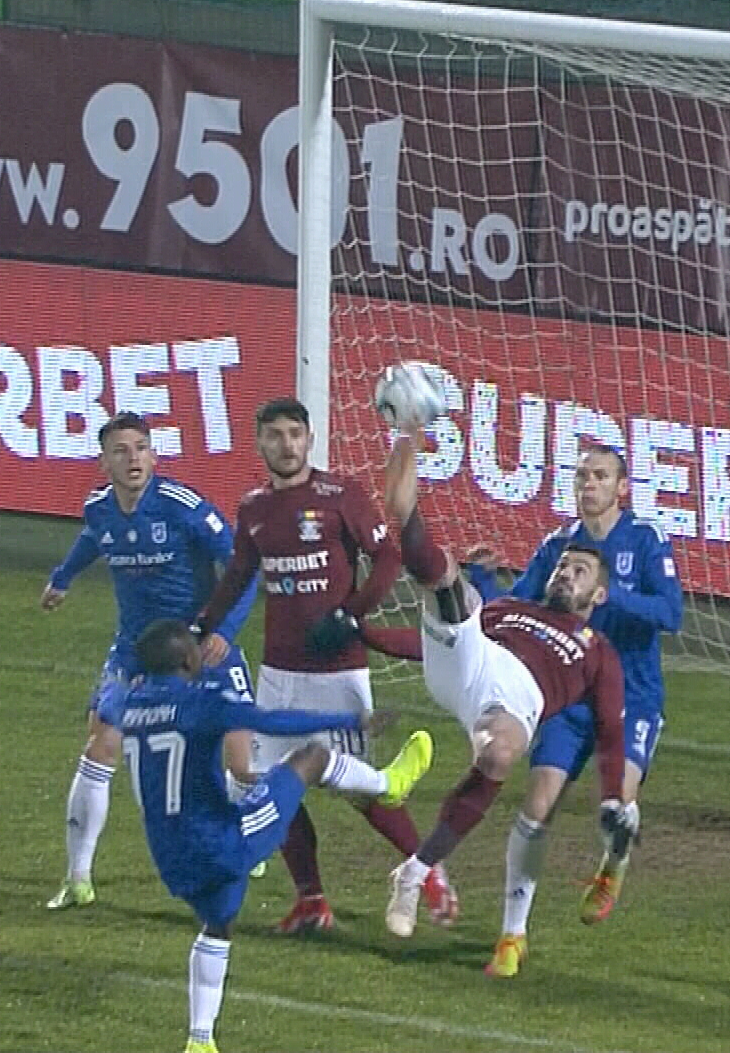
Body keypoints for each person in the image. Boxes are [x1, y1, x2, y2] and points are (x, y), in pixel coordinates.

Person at [99, 618, 434, 1053]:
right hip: (222, 840)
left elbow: (109, 704)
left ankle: (200, 1041)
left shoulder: (129, 703)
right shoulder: (199, 701)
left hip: (170, 854)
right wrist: (351, 719)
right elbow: (269, 719)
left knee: (218, 924)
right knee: (310, 758)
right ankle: (389, 785)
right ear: (187, 659)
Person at [196, 398, 457, 934]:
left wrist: (350, 614)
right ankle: (311, 898)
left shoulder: (342, 496)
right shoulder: (253, 509)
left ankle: (429, 872)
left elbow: (387, 558)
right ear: (260, 443)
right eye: (275, 435)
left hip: (338, 668)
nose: (287, 444)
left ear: (309, 438)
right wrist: (206, 628)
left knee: (360, 792)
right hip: (279, 673)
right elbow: (239, 575)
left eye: (295, 433)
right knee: (269, 785)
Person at [377, 422, 631, 944]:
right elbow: (434, 642)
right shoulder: (512, 608)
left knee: (499, 756)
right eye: (564, 566)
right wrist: (362, 636)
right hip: (472, 659)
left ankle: (415, 872)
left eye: (580, 572)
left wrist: (612, 798)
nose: (565, 574)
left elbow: (608, 730)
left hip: (512, 701)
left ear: (598, 597)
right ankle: (405, 463)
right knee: (445, 577)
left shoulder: (597, 651)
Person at [462, 443, 682, 977]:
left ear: (621, 487)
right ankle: (512, 935)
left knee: (619, 799)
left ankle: (613, 865)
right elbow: (523, 605)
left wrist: (612, 598)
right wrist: (482, 582)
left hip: (631, 697)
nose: (588, 484)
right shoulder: (560, 546)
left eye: (600, 476)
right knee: (537, 805)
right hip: (568, 696)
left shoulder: (646, 540)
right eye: (582, 475)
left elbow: (671, 613)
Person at [40, 411, 258, 910]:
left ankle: (246, 839)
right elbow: (92, 540)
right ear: (104, 462)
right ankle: (78, 877)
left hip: (198, 649)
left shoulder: (182, 506)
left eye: (141, 448)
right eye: (121, 450)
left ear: (154, 455)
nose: (133, 458)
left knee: (241, 763)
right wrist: (63, 578)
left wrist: (221, 629)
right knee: (101, 744)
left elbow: (242, 565)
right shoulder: (99, 508)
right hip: (135, 653)